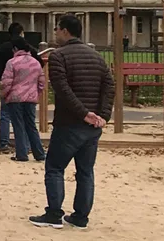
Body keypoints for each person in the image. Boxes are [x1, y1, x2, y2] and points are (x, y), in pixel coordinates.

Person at [30, 14, 114, 229]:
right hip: (93, 126)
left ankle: (54, 214)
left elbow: (62, 89)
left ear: (65, 31)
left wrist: (83, 113)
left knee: (55, 167)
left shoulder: (59, 56)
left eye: (57, 29)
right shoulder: (97, 57)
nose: (56, 32)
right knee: (85, 171)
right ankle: (80, 217)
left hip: (69, 122)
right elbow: (109, 86)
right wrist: (103, 115)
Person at [0, 37, 45, 162]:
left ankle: (22, 154)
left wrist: (4, 94)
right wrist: (37, 93)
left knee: (18, 126)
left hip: (15, 98)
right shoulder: (35, 62)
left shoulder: (12, 62)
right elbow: (41, 81)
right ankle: (39, 153)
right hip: (31, 98)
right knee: (31, 126)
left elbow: (6, 82)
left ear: (15, 49)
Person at [0, 23, 37, 152]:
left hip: (9, 86)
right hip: (27, 87)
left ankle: (4, 143)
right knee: (27, 118)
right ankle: (27, 145)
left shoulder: (4, 48)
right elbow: (39, 63)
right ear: (22, 32)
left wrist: (2, 80)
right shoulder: (29, 49)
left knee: (5, 115)